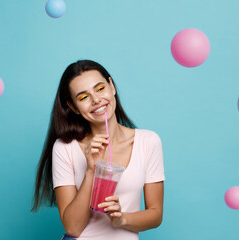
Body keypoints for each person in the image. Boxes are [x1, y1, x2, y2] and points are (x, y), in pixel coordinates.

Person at [32, 60, 165, 239]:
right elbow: (73, 228)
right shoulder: (65, 148)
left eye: (100, 88)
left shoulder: (148, 142)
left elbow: (155, 215)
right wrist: (90, 171)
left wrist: (121, 219)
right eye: (83, 97)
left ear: (112, 87)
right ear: (73, 107)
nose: (96, 100)